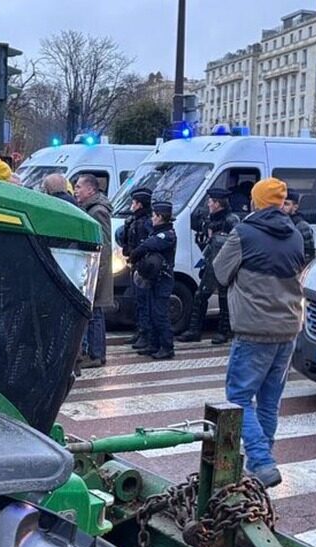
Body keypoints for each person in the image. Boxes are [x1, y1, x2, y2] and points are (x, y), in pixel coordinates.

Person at [213, 177, 305, 488]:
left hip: (254, 327)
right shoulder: (296, 235)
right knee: (269, 401)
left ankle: (262, 461)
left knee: (238, 397)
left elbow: (220, 272)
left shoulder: (244, 233)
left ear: (256, 201)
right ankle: (261, 464)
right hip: (288, 328)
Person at [178, 186, 241, 344]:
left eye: (211, 201)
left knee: (223, 297)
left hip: (225, 264)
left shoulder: (231, 220)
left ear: (218, 204)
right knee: (201, 295)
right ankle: (194, 330)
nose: (208, 204)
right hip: (210, 262)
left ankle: (223, 331)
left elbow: (235, 242)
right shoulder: (210, 219)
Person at [130, 200, 177, 360]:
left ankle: (167, 347)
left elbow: (147, 246)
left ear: (160, 217)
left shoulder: (167, 235)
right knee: (151, 311)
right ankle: (154, 344)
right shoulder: (157, 231)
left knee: (160, 314)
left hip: (163, 279)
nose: (152, 218)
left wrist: (134, 255)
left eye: (154, 215)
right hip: (153, 278)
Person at [75, 174, 113, 368]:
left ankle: (96, 354)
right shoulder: (90, 208)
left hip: (96, 271)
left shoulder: (98, 211)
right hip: (94, 269)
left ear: (90, 189)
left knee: (95, 313)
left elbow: (104, 246)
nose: (76, 190)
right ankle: (96, 353)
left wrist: (96, 275)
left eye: (79, 186)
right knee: (94, 312)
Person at [120, 187, 155, 348]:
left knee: (143, 300)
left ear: (140, 204)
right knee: (137, 300)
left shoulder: (146, 222)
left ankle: (146, 334)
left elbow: (147, 244)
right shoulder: (135, 220)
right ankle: (140, 331)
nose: (131, 206)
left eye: (133, 203)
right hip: (135, 264)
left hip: (143, 266)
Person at [283, 191, 315, 263]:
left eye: (286, 204)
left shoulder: (302, 226)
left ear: (295, 207)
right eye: (281, 203)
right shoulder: (277, 222)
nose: (282, 207)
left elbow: (309, 255)